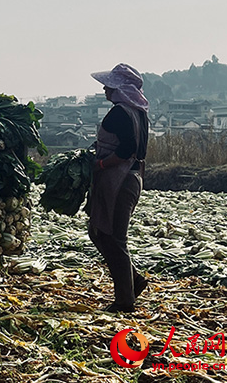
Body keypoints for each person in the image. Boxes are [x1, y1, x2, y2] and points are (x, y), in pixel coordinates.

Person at [88, 63, 150, 313]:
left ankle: (125, 301)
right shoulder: (138, 112)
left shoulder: (121, 113)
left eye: (110, 85)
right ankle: (133, 281)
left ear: (120, 88)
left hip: (120, 179)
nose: (105, 88)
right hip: (129, 178)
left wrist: (100, 163)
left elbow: (126, 151)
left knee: (114, 237)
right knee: (98, 232)